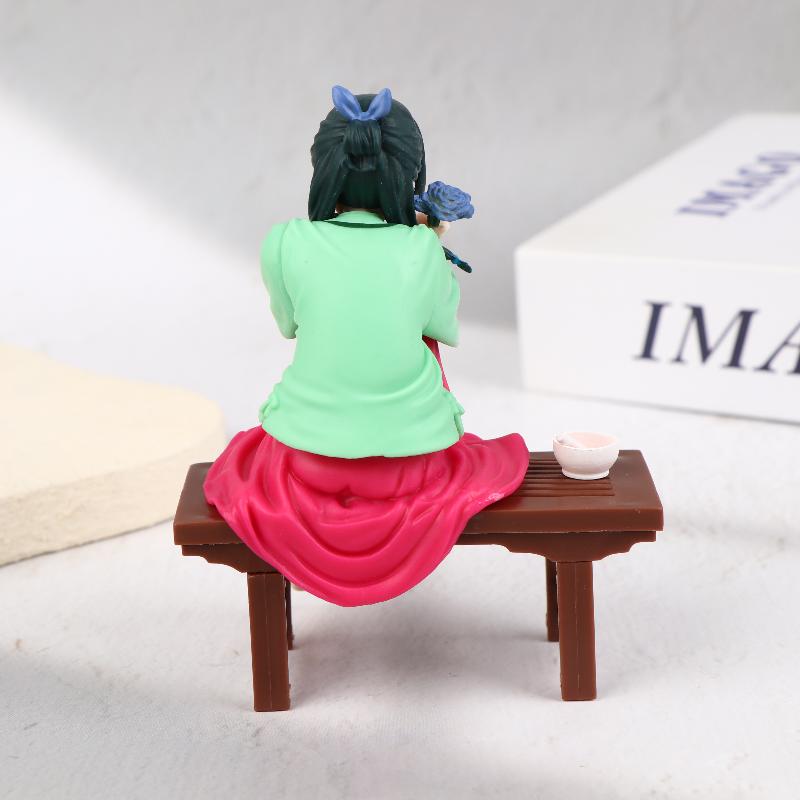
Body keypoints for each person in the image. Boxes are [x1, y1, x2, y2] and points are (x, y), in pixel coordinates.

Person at [204, 86, 529, 606]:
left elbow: (290, 326)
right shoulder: (420, 248)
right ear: (409, 175)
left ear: (323, 167)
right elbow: (443, 327)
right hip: (412, 467)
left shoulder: (284, 241)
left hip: (308, 460)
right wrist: (430, 244)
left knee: (252, 450)